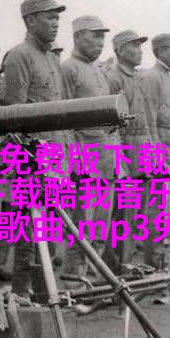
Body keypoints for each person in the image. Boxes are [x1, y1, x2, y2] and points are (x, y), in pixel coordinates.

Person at [1, 0, 66, 295]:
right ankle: (21, 298)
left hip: (55, 157)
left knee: (50, 233)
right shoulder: (19, 56)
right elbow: (13, 115)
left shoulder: (52, 59)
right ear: (30, 20)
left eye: (57, 18)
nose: (55, 23)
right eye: (49, 18)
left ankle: (44, 298)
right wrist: (25, 164)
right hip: (31, 159)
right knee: (28, 235)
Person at [59, 15, 116, 279]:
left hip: (105, 159)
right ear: (77, 37)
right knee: (81, 226)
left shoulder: (99, 72)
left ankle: (95, 280)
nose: (100, 42)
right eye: (95, 36)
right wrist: (74, 158)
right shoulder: (68, 69)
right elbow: (62, 119)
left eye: (103, 36)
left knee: (100, 227)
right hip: (84, 161)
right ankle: (74, 282)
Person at [105, 30, 156, 266]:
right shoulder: (113, 78)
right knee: (122, 213)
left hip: (141, 150)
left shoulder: (138, 77)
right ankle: (118, 265)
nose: (139, 51)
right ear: (119, 51)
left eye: (140, 46)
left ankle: (126, 261)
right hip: (125, 149)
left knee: (135, 212)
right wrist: (120, 159)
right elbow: (111, 124)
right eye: (134, 46)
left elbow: (146, 117)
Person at [139, 33, 170, 269]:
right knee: (159, 208)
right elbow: (148, 118)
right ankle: (156, 261)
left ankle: (165, 258)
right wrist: (155, 154)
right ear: (159, 51)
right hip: (162, 152)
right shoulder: (151, 77)